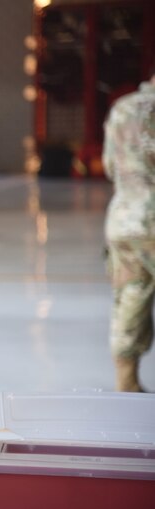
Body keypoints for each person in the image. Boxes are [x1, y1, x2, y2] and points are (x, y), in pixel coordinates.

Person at [103, 61, 155, 392]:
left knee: (132, 295)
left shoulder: (123, 108)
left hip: (125, 220)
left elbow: (110, 166)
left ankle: (127, 385)